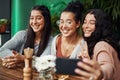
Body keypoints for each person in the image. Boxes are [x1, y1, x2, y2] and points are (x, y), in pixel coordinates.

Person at [75, 9, 120, 80]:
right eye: (85, 22)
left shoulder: (101, 45)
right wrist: (87, 60)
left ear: (100, 26)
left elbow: (107, 66)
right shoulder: (93, 44)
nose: (86, 26)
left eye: (92, 23)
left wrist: (101, 72)